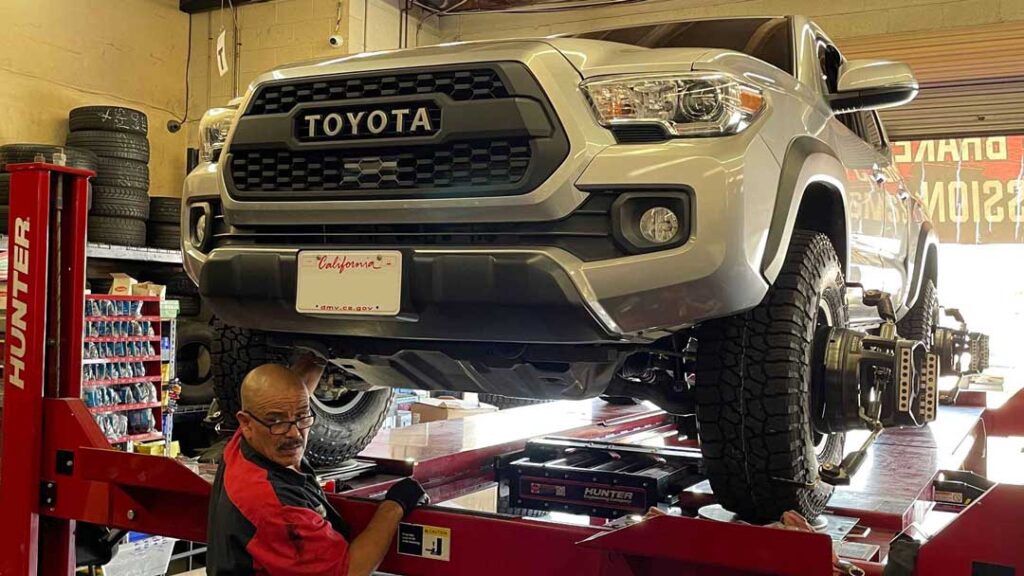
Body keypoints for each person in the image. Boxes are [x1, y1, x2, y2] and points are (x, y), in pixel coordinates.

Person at [207, 355, 427, 575]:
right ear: (246, 423)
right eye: (278, 421)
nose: (294, 433)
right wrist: (394, 505)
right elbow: (350, 571)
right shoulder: (276, 505)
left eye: (302, 417)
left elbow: (293, 394)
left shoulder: (249, 439)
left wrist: (319, 354)